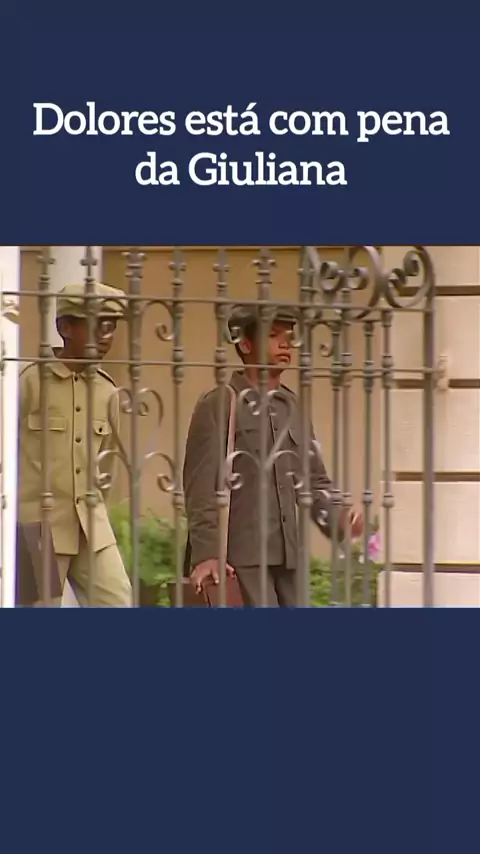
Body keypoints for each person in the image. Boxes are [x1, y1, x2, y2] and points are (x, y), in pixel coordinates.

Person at [182, 306, 364, 607]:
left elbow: (313, 479)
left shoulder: (291, 406)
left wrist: (340, 518)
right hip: (241, 560)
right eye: (274, 335)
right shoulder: (220, 403)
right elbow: (200, 487)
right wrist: (207, 555)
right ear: (245, 344)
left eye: (289, 337)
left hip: (288, 559)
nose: (285, 344)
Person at [17, 282, 132, 607]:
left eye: (112, 326)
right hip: (39, 530)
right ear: (65, 328)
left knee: (118, 602)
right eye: (97, 325)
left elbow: (107, 463)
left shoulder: (107, 392)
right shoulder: (30, 383)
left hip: (90, 526)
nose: (106, 335)